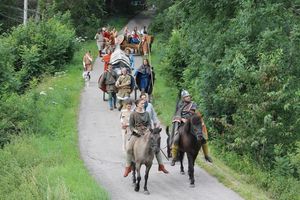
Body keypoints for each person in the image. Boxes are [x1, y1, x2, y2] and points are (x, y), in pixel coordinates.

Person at [170, 90, 213, 166]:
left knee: (202, 137)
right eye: (186, 96)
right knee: (176, 139)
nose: (188, 97)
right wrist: (180, 119)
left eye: (189, 96)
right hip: (182, 125)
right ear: (183, 98)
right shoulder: (180, 105)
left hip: (192, 124)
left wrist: (187, 120)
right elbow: (176, 115)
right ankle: (174, 158)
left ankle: (206, 155)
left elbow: (192, 113)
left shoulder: (193, 104)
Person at [140, 93, 169, 174]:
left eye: (145, 98)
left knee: (156, 146)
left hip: (151, 129)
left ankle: (161, 165)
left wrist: (157, 122)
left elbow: (154, 116)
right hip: (141, 130)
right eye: (142, 98)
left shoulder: (149, 105)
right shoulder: (137, 107)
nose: (144, 100)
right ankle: (130, 165)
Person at [123, 99, 151, 177]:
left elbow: (149, 124)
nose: (143, 104)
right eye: (142, 103)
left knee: (155, 145)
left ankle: (161, 165)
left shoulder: (147, 113)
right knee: (128, 148)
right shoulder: (133, 114)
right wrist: (136, 131)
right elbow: (131, 126)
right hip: (136, 134)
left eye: (144, 103)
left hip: (146, 133)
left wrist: (148, 129)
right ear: (137, 104)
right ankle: (128, 167)